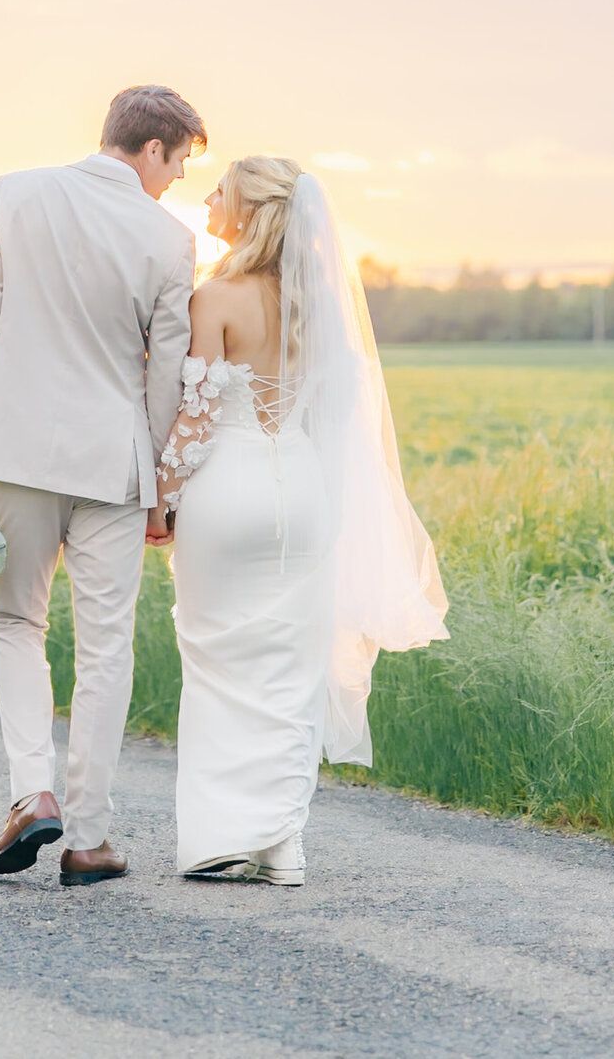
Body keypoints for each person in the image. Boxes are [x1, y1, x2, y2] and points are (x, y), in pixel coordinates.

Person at [0, 85, 205, 885]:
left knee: (17, 622)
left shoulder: (18, 193)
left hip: (18, 452)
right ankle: (90, 839)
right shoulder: (171, 242)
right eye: (179, 163)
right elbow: (167, 379)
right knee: (106, 648)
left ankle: (31, 792)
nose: (176, 180)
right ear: (153, 148)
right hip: (113, 464)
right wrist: (156, 487)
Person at [157, 157, 449, 886]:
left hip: (228, 492)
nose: (207, 198)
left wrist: (158, 500)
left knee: (217, 663)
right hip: (305, 495)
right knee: (292, 670)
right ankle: (283, 845)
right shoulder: (317, 307)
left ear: (248, 209)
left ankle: (220, 838)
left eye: (219, 189)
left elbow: (194, 424)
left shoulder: (214, 297)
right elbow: (335, 418)